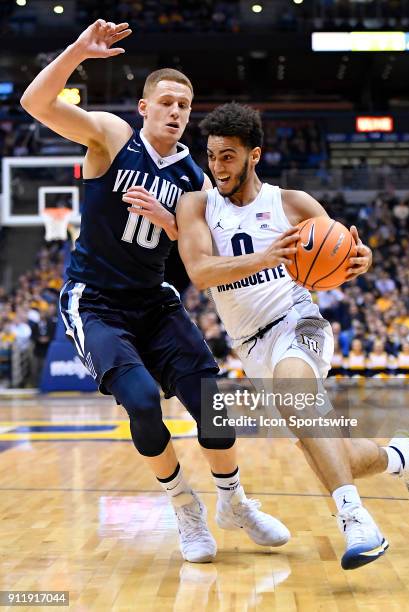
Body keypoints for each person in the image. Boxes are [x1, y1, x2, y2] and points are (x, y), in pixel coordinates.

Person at [20, 22, 289, 564]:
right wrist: (76, 52)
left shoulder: (195, 178)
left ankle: (233, 501)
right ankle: (183, 505)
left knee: (213, 405)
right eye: (166, 102)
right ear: (144, 108)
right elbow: (34, 101)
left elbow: (202, 257)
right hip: (95, 300)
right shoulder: (111, 136)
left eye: (185, 106)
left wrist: (172, 223)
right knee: (142, 402)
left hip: (153, 299)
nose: (176, 112)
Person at [176, 102, 409, 570]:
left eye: (229, 156)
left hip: (298, 321)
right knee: (326, 453)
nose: (218, 167)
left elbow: (343, 250)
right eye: (213, 156)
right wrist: (267, 256)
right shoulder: (197, 204)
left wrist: (363, 259)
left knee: (297, 396)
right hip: (251, 345)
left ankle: (356, 520)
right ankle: (400, 455)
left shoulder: (290, 203)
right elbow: (199, 272)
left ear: (254, 155)